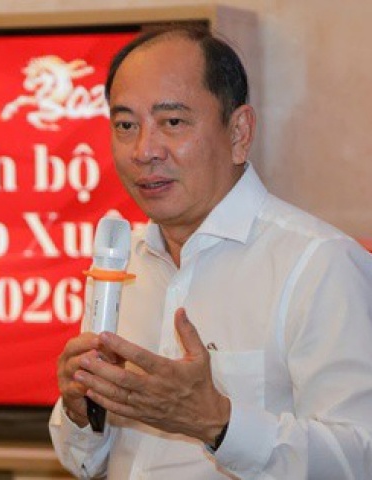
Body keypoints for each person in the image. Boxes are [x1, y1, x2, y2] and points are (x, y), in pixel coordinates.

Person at [49, 24, 372, 479]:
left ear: (239, 131)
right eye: (126, 125)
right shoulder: (122, 262)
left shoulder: (320, 264)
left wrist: (217, 422)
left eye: (172, 122)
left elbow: (360, 458)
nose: (144, 150)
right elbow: (85, 462)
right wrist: (81, 412)